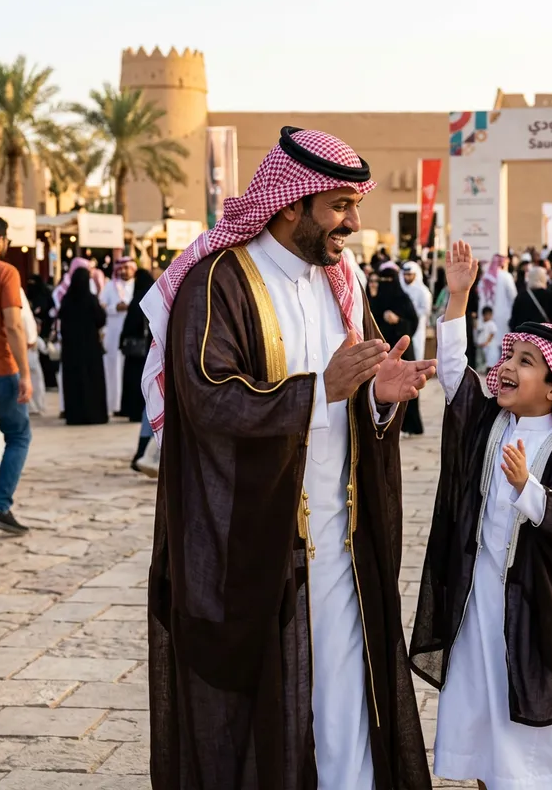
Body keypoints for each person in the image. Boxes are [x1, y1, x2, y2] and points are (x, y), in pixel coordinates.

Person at [139, 127, 433, 789]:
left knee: (346, 707)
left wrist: (378, 396)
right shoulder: (221, 282)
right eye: (339, 206)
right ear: (291, 204)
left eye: (355, 207)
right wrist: (318, 391)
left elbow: (353, 391)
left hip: (341, 548)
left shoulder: (340, 284)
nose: (352, 223)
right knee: (264, 721)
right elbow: (206, 398)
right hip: (256, 553)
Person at [411, 239, 552, 790]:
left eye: (525, 362)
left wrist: (527, 488)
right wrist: (458, 297)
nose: (506, 368)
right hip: (480, 599)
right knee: (480, 702)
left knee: (524, 704)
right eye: (509, 356)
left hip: (532, 606)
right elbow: (455, 375)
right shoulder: (490, 422)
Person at [0, 215, 32, 538]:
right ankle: (0, 507)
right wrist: (25, 373)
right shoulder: (5, 272)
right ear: (0, 240)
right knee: (19, 435)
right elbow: (13, 325)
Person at [371, 264, 424, 436]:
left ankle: (408, 425)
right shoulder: (376, 300)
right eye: (383, 280)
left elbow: (413, 323)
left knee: (405, 387)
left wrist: (398, 321)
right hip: (382, 352)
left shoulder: (403, 299)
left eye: (389, 280)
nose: (386, 283)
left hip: (402, 351)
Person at [59, 268, 108, 426]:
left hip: (71, 349)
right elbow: (101, 319)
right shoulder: (91, 299)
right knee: (92, 380)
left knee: (74, 381)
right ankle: (94, 414)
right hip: (90, 348)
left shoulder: (67, 300)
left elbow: (62, 322)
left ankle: (75, 415)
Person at [100, 256, 137, 415]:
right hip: (113, 333)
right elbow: (101, 306)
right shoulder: (110, 286)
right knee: (113, 368)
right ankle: (114, 405)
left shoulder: (137, 285)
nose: (124, 271)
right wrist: (115, 308)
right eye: (121, 268)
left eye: (127, 268)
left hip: (131, 335)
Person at [119, 268, 154, 423]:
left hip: (136, 351)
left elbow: (130, 324)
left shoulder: (137, 299)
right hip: (150, 347)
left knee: (134, 380)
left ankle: (134, 411)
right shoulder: (153, 297)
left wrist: (122, 340)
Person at [478, 253, 517, 363]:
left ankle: (492, 366)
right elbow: (513, 296)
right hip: (504, 316)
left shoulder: (485, 278)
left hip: (487, 316)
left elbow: (481, 298)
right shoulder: (506, 276)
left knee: (491, 344)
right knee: (503, 345)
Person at [400, 261, 433, 361]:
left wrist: (412, 312)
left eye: (409, 274)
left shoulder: (423, 291)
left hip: (418, 324)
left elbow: (426, 310)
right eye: (405, 274)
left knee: (417, 349)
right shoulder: (401, 289)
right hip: (403, 324)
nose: (406, 277)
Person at [475, 306, 498, 372]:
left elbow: (492, 333)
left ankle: (488, 370)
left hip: (488, 345)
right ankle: (480, 370)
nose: (488, 316)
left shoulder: (491, 324)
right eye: (486, 315)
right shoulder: (481, 323)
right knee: (480, 358)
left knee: (488, 358)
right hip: (480, 345)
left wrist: (487, 342)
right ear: (483, 315)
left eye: (489, 315)